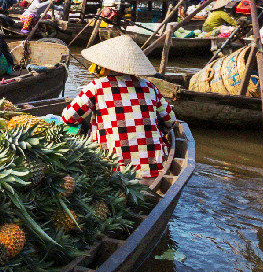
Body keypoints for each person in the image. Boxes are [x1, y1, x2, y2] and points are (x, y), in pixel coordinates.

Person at [62, 35, 177, 179]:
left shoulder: (97, 86)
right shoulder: (149, 87)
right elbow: (171, 121)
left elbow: (68, 118)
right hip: (152, 170)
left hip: (113, 172)